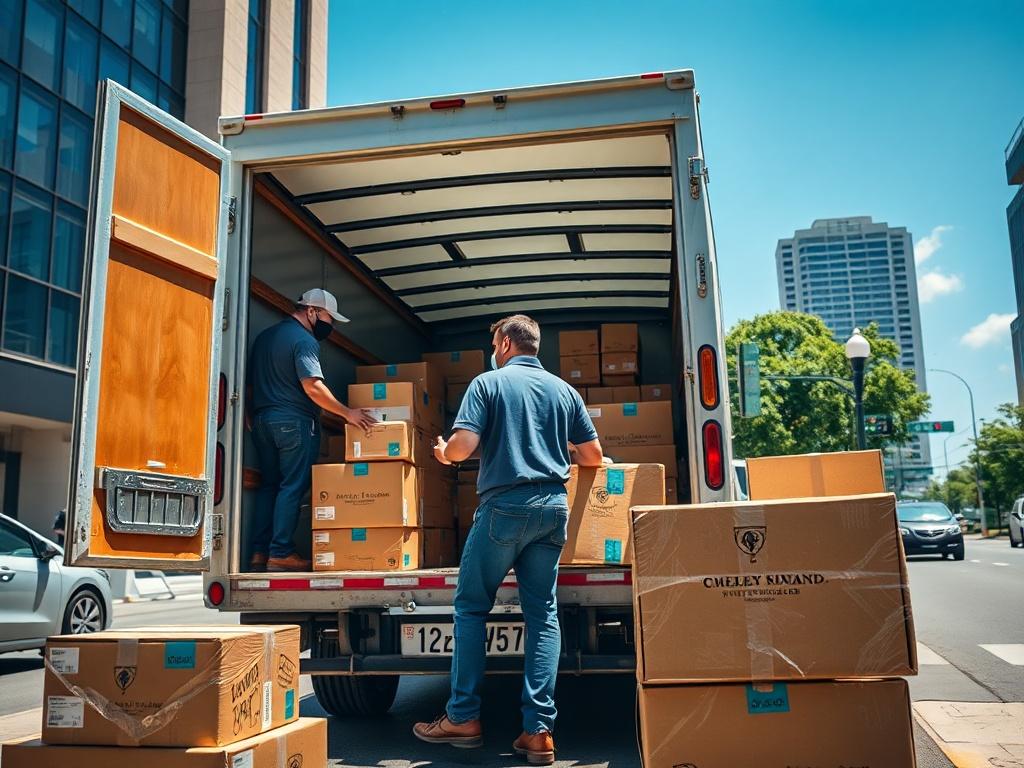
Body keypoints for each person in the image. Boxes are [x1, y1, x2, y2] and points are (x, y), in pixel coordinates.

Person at [413, 314, 604, 765]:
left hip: (504, 508)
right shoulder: (564, 391)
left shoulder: (488, 383)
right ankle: (538, 732)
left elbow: (463, 445)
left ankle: (462, 717)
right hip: (553, 509)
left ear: (503, 344)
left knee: (471, 607)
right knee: (543, 615)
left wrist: (444, 453)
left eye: (493, 344)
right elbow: (593, 456)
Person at [247, 288, 375, 573]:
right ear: (312, 311)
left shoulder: (265, 337)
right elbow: (313, 386)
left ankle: (259, 552)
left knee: (269, 487)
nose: (331, 326)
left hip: (263, 422)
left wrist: (250, 416)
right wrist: (348, 413)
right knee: (293, 486)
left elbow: (250, 385)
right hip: (294, 423)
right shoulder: (304, 341)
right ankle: (280, 553)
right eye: (329, 319)